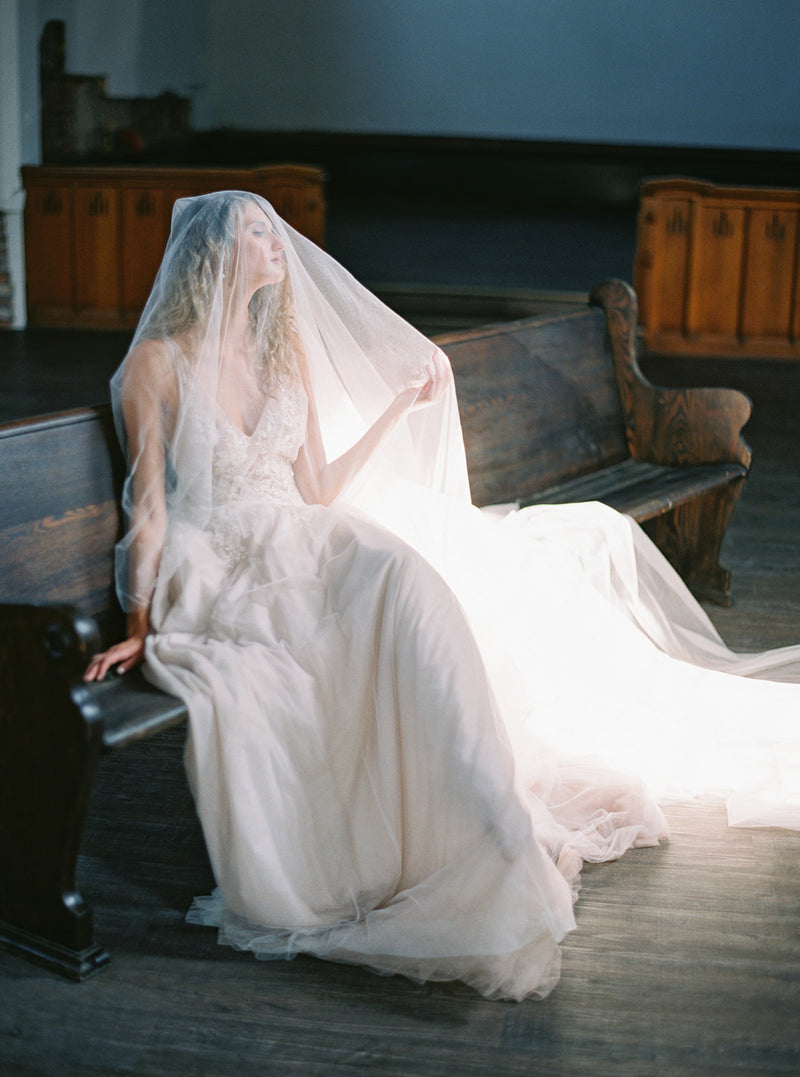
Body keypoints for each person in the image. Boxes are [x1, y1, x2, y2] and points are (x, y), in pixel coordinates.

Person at [84, 191, 800, 1001]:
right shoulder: (159, 363)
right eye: (257, 230)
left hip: (305, 536)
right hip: (220, 561)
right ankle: (412, 848)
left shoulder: (283, 357)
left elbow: (316, 488)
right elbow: (146, 507)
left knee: (414, 588)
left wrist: (397, 407)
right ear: (214, 253)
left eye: (273, 227)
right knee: (316, 655)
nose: (278, 242)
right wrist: (141, 622)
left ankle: (489, 832)